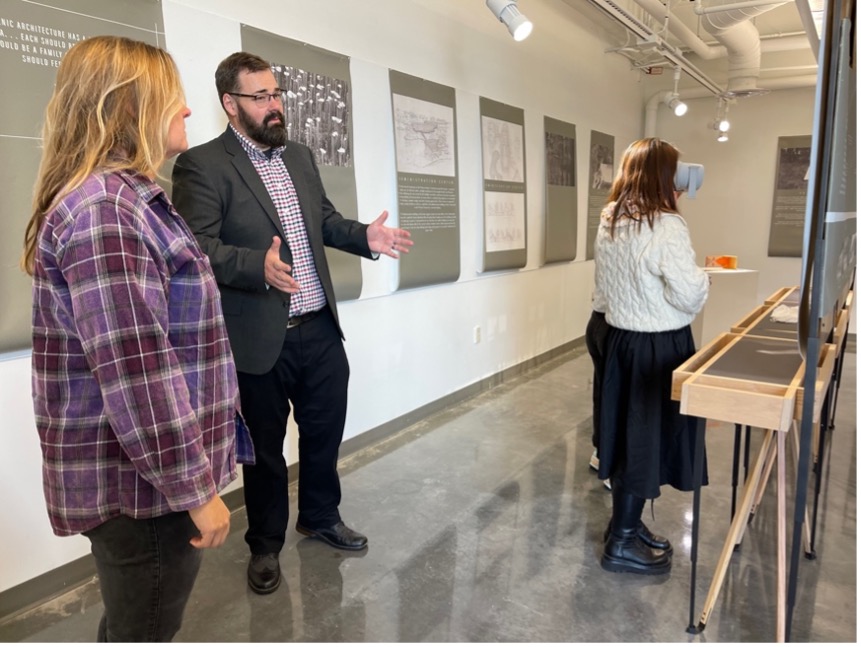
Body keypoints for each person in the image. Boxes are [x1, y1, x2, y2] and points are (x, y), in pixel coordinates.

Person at [20, 36, 249, 641]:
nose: (188, 109)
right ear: (129, 106)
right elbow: (137, 373)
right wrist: (196, 490)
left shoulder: (124, 201)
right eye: (173, 96)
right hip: (142, 489)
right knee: (143, 628)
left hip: (143, 478)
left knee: (133, 621)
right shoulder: (106, 212)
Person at [171, 51, 412, 595]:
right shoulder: (203, 165)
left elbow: (322, 221)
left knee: (325, 433)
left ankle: (321, 516)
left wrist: (363, 237)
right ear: (231, 105)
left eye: (277, 94)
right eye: (261, 97)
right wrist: (256, 266)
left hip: (319, 327)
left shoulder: (299, 156)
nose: (275, 105)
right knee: (266, 451)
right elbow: (195, 249)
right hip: (258, 338)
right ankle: (265, 545)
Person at [593, 138, 709, 576]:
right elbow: (689, 294)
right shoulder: (666, 225)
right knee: (645, 442)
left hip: (623, 342)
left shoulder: (611, 217)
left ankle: (625, 525)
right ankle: (621, 543)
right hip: (658, 346)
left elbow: (604, 288)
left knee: (628, 439)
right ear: (665, 175)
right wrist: (704, 281)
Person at [584, 302, 611, 491]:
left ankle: (601, 453)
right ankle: (613, 464)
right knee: (619, 398)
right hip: (616, 326)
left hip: (598, 320)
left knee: (603, 394)